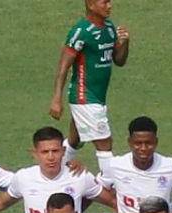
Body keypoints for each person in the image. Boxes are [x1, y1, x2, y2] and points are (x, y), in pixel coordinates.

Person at [49, 0, 130, 174]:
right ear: (91, 5)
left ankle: (55, 173)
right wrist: (56, 99)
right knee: (104, 143)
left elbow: (119, 60)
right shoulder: (81, 32)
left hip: (98, 97)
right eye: (104, 2)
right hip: (84, 96)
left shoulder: (109, 28)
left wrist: (124, 43)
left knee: (75, 140)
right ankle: (109, 184)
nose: (109, 6)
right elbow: (63, 67)